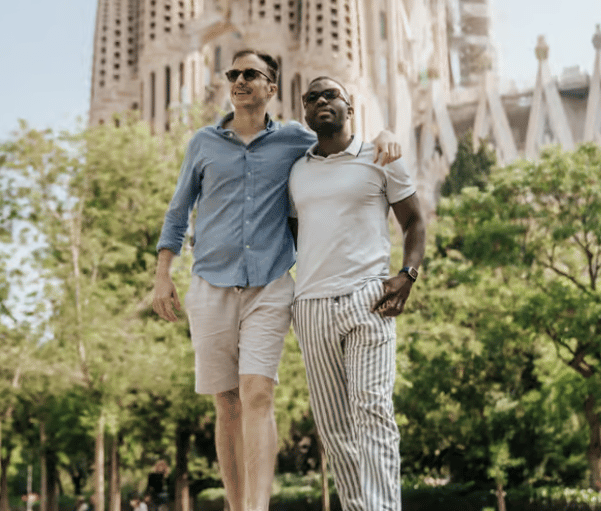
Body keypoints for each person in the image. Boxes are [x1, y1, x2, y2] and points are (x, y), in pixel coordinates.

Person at [153, 51, 400, 511]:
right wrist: (162, 274)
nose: (240, 81)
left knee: (258, 391)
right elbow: (178, 209)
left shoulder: (293, 140)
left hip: (269, 284)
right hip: (210, 283)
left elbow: (339, 142)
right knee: (226, 402)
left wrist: (383, 135)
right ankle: (236, 502)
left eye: (251, 74)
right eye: (234, 74)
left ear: (271, 87)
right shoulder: (203, 142)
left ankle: (257, 507)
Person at [287, 76, 426, 511]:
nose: (321, 102)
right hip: (310, 308)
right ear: (305, 112)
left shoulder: (381, 156)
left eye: (331, 95)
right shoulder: (296, 171)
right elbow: (297, 234)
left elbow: (415, 223)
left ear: (350, 106)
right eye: (312, 98)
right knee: (333, 429)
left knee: (372, 410)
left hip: (368, 300)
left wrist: (408, 274)